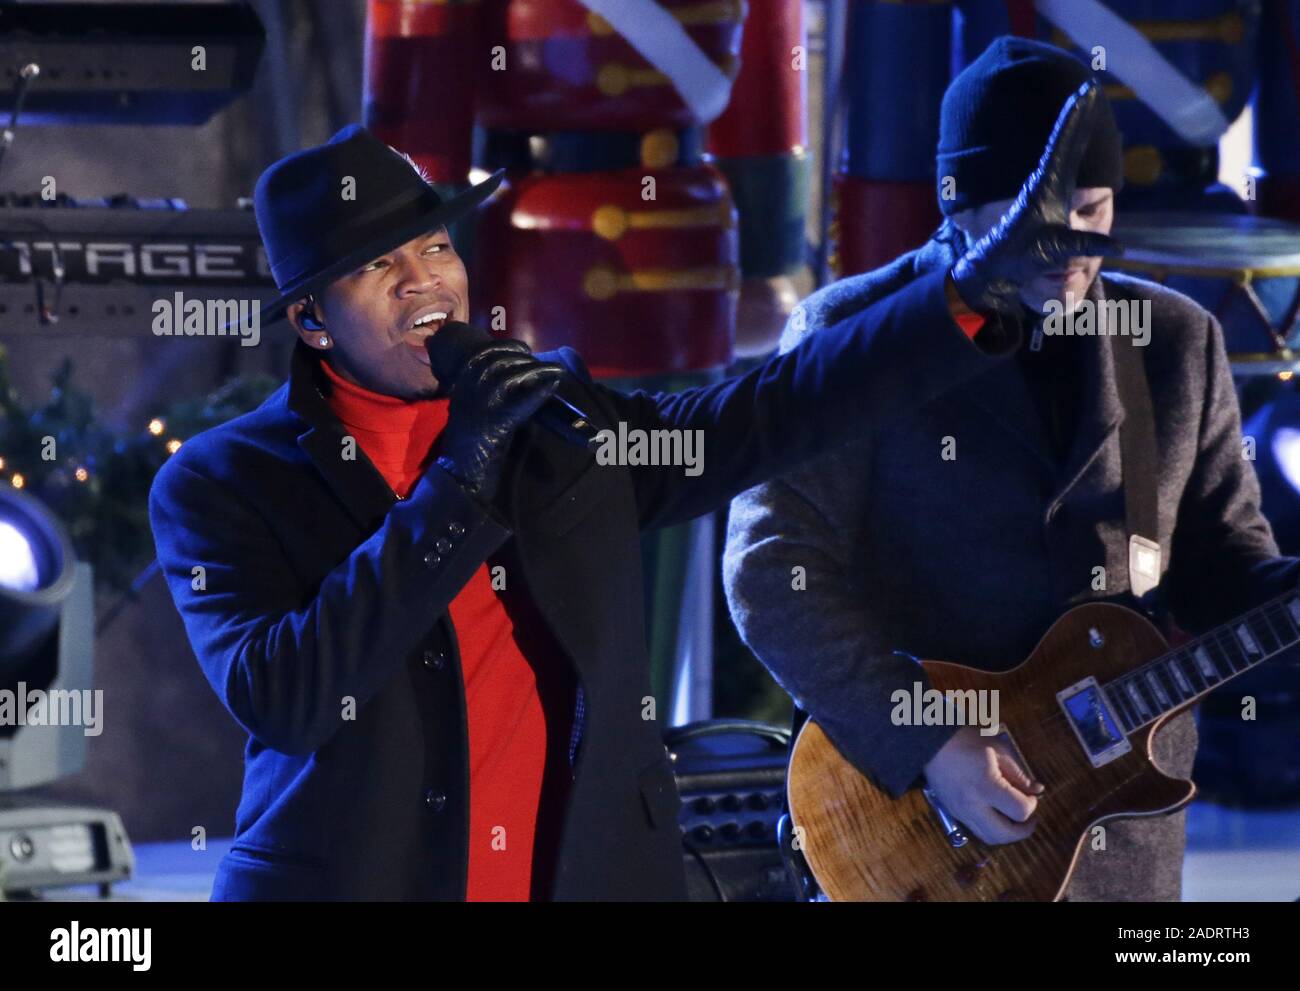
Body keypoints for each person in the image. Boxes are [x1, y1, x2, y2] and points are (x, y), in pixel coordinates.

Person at [149, 112, 1098, 900]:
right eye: (375, 267)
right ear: (311, 320)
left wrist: (965, 294)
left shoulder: (549, 419)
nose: (424, 280)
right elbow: (288, 694)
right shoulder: (221, 484)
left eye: (434, 246)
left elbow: (764, 412)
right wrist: (461, 473)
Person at [723, 36, 1300, 901]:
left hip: (1124, 852)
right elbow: (770, 569)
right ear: (958, 207)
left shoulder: (1177, 341)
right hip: (915, 830)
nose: (1065, 247)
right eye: (1026, 220)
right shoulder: (852, 333)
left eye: (1093, 209)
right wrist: (929, 741)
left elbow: (1223, 568)